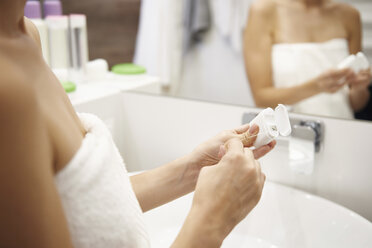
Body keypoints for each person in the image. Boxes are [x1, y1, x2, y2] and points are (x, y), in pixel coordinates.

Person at [0, 1, 276, 247]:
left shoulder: (26, 33)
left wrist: (192, 170)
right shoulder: (7, 88)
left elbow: (86, 207)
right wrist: (212, 220)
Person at [244, 0, 372, 119]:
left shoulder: (350, 15)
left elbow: (356, 104)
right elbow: (261, 99)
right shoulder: (264, 12)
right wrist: (316, 87)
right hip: (287, 134)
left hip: (341, 129)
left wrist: (359, 88)